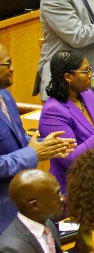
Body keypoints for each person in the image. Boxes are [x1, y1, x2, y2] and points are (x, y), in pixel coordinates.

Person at [0, 45, 75, 233]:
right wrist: (32, 153)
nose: (12, 68)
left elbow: (18, 138)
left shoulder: (5, 96)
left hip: (25, 204)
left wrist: (47, 145)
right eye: (7, 63)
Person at [38, 49, 94, 194]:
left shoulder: (87, 94)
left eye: (90, 69)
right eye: (85, 71)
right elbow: (71, 160)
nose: (91, 75)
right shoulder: (53, 112)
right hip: (74, 191)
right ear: (68, 77)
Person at [0, 169, 63, 253]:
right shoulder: (11, 248)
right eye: (57, 194)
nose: (62, 198)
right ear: (35, 205)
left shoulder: (48, 224)